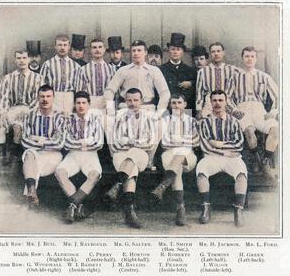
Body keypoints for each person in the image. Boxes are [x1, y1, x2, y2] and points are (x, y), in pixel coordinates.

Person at [104, 39, 170, 168]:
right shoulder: (124, 70)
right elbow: (109, 91)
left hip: (147, 108)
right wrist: (111, 111)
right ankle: (117, 156)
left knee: (161, 123)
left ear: (145, 53)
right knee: (107, 121)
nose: (136, 53)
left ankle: (149, 159)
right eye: (134, 50)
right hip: (126, 109)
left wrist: (159, 112)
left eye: (139, 50)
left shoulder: (154, 70)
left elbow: (165, 93)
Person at [105, 88, 156, 229]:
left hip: (141, 154)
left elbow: (150, 142)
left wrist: (130, 142)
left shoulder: (148, 116)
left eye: (135, 100)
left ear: (142, 100)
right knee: (131, 172)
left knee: (133, 154)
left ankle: (118, 184)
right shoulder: (120, 115)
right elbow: (115, 140)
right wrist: (135, 141)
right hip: (121, 153)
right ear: (125, 101)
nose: (132, 103)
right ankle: (129, 209)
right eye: (129, 100)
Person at [196, 90, 247, 227]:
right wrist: (226, 151)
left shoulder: (234, 121)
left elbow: (239, 144)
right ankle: (206, 208)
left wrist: (219, 144)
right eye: (214, 100)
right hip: (212, 157)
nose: (217, 103)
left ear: (226, 102)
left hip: (232, 158)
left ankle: (238, 210)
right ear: (210, 103)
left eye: (220, 100)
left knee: (241, 173)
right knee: (201, 170)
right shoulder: (204, 123)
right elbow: (206, 146)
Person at [228, 46, 278, 175]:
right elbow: (226, 97)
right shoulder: (234, 77)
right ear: (242, 58)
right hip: (242, 108)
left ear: (256, 59)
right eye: (246, 56)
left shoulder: (264, 77)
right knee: (249, 132)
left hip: (259, 109)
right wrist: (234, 110)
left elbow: (278, 96)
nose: (249, 59)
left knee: (276, 129)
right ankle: (256, 159)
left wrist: (273, 111)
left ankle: (266, 160)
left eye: (252, 56)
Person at [151, 93, 200, 226]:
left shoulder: (192, 121)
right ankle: (180, 209)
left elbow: (195, 141)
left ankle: (163, 186)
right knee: (176, 171)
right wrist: (184, 141)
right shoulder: (165, 121)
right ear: (170, 105)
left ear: (185, 104)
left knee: (180, 154)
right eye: (173, 103)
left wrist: (179, 142)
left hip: (188, 156)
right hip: (168, 154)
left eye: (179, 103)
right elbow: (165, 143)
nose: (176, 106)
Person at [55, 91, 103, 223]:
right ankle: (79, 204)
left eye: (84, 103)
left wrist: (79, 143)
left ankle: (72, 205)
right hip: (73, 156)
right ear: (74, 104)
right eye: (78, 103)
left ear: (89, 104)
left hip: (91, 156)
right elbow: (66, 142)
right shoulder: (69, 120)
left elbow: (99, 143)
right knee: (60, 172)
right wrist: (87, 141)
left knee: (94, 175)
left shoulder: (95, 119)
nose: (81, 106)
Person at [21, 85, 65, 208]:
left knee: (33, 161)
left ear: (53, 98)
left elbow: (59, 144)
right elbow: (24, 141)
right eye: (42, 96)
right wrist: (48, 141)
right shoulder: (30, 116)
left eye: (48, 96)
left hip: (53, 156)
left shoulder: (59, 117)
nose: (45, 99)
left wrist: (38, 141)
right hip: (34, 153)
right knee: (30, 154)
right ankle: (32, 191)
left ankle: (30, 192)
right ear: (38, 97)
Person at [0, 49, 45, 163]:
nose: (21, 61)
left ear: (29, 59)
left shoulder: (38, 78)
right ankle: (1, 156)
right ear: (15, 60)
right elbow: (3, 96)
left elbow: (39, 98)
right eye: (18, 58)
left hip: (29, 109)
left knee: (18, 127)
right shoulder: (8, 78)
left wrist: (28, 111)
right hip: (11, 109)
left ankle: (16, 156)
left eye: (24, 58)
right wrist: (3, 112)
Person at [40, 34, 82, 115]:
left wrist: (76, 103)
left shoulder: (76, 66)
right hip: (54, 97)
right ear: (55, 46)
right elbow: (41, 85)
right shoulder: (47, 64)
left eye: (65, 45)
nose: (62, 48)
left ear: (69, 47)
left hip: (69, 97)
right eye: (59, 45)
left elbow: (78, 87)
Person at [195, 42, 240, 120]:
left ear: (223, 53)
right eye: (213, 52)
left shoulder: (232, 69)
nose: (216, 54)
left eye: (218, 51)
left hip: (228, 103)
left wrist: (235, 109)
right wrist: (199, 110)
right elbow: (199, 93)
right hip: (209, 103)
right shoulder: (203, 71)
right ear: (210, 54)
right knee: (204, 123)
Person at [160, 33, 196, 114]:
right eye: (173, 49)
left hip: (186, 111)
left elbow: (196, 89)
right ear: (168, 51)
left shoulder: (190, 71)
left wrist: (191, 83)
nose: (175, 52)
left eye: (178, 49)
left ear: (183, 52)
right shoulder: (161, 70)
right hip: (166, 110)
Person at [80, 38, 115, 109]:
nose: (97, 50)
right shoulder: (83, 69)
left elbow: (115, 91)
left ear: (104, 49)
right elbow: (80, 90)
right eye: (94, 47)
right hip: (90, 102)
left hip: (107, 102)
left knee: (107, 120)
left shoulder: (111, 69)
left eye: (100, 47)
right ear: (90, 50)